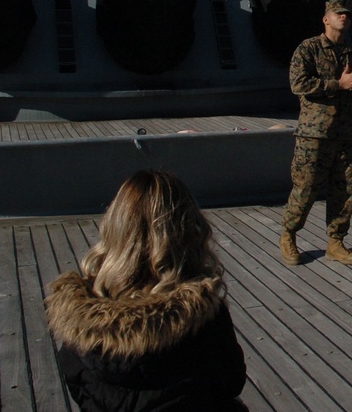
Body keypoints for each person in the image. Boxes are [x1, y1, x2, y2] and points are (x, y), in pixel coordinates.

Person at [45, 170, 247, 410]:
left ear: (115, 226)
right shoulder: (204, 321)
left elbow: (78, 386)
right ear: (187, 230)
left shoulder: (77, 327)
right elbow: (231, 381)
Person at [279, 0, 352, 266]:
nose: (344, 17)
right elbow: (298, 84)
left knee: (345, 190)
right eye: (338, 13)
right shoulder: (308, 49)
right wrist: (338, 85)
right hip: (315, 134)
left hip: (347, 135)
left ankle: (336, 241)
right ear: (326, 19)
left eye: (347, 14)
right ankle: (289, 234)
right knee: (306, 188)